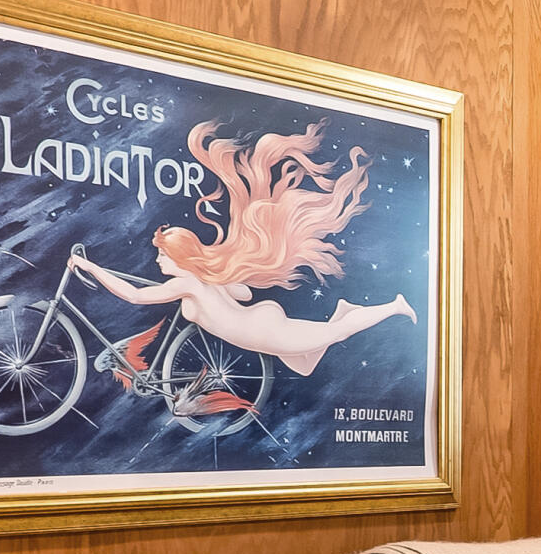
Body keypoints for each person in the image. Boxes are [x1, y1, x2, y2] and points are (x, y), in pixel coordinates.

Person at [70, 120, 414, 377]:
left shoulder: (188, 283)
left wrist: (90, 268)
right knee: (306, 367)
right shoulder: (204, 276)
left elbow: (134, 296)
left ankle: (393, 306)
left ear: (178, 255)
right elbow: (244, 293)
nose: (158, 259)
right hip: (259, 324)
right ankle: (343, 310)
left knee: (337, 334)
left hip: (264, 331)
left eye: (162, 252)